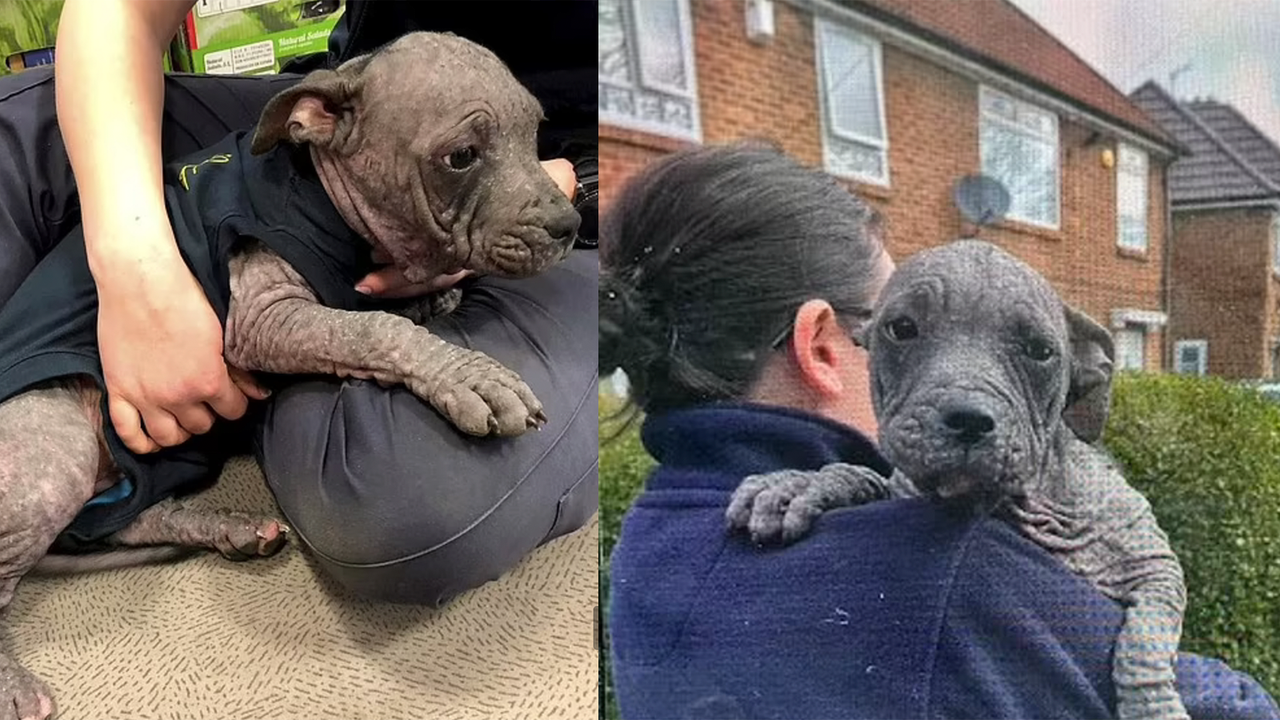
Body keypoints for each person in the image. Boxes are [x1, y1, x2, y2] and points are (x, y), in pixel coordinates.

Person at [601, 143, 1279, 719]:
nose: (962, 385)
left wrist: (840, 483)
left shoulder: (648, 539)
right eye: (902, 329)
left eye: (1028, 352)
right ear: (825, 346)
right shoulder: (949, 572)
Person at [0, 0, 597, 604]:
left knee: (416, 505)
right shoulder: (329, 126)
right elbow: (264, 325)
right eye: (461, 158)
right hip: (369, 105)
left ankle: (130, 510)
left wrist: (564, 183)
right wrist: (133, 272)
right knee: (30, 113)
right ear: (314, 120)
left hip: (595, 167)